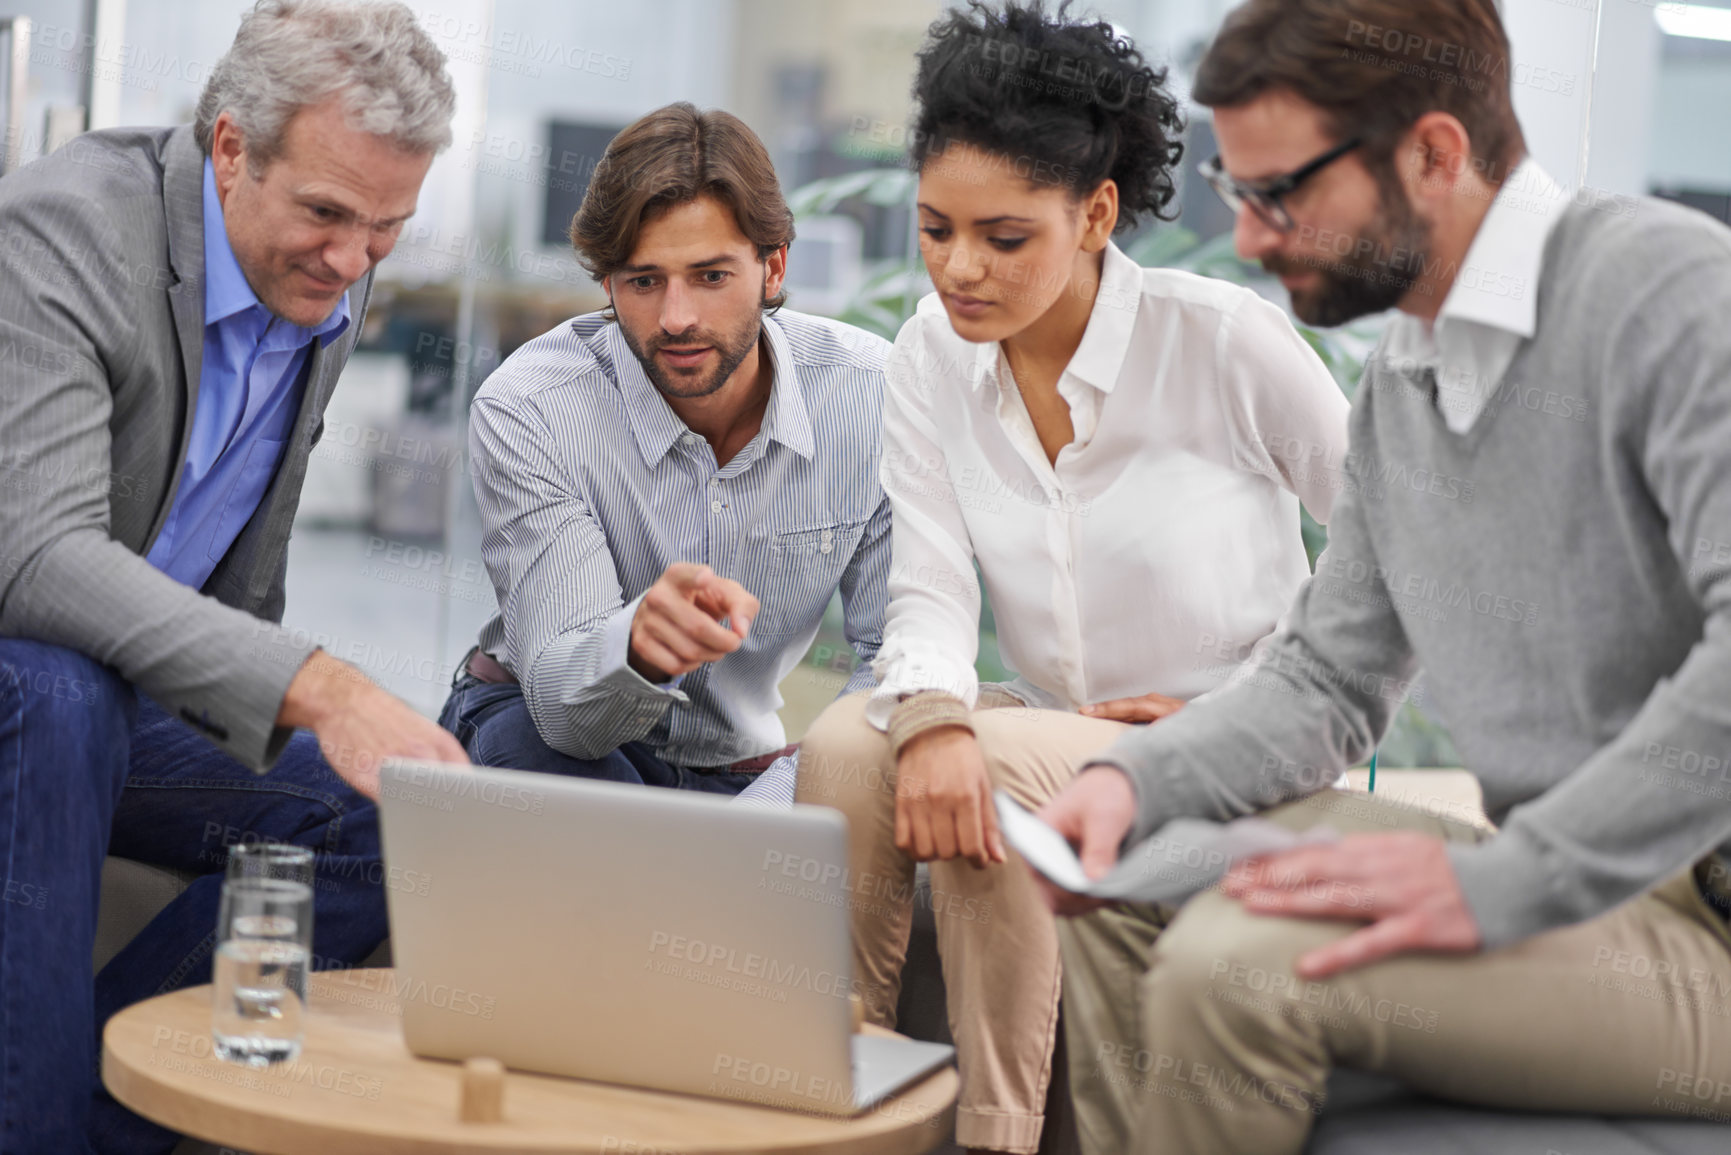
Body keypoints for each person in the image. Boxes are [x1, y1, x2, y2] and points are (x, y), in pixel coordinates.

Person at [1035, 0, 1731, 1152]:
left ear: (1434, 153)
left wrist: (1503, 887)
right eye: (1236, 191)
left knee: (1241, 969)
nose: (1250, 238)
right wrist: (1136, 781)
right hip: (1573, 884)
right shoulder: (1407, 373)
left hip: (1701, 924)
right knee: (1132, 878)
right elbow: (1325, 679)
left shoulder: (1665, 295)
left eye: (1283, 194)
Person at [792, 4, 1351, 1151]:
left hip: (1240, 752)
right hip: (1061, 729)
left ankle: (995, 1137)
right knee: (851, 740)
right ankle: (836, 1099)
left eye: (1004, 238)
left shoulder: (1224, 343)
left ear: (1096, 214)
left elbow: (1405, 558)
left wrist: (1256, 711)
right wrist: (935, 714)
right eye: (936, 228)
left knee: (987, 767)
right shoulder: (928, 359)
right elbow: (931, 589)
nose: (958, 268)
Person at [0, 1, 467, 1149]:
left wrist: (327, 724)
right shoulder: (62, 236)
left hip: (128, 698)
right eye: (326, 212)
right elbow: (38, 559)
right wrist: (327, 685)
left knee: (382, 821)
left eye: (387, 229)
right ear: (228, 148)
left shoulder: (319, 284)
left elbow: (237, 595)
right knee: (61, 697)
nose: (353, 261)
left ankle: (105, 1109)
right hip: (31, 679)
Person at [439, 102, 891, 809]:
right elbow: (565, 712)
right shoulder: (530, 406)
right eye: (644, 281)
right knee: (552, 773)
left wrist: (776, 801)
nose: (676, 317)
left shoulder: (871, 396)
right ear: (608, 285)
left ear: (772, 268)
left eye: (710, 276)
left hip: (739, 760)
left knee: (863, 787)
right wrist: (637, 649)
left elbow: (895, 662)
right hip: (546, 732)